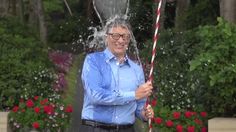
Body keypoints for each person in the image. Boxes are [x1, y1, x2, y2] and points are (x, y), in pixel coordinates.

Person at [81, 17, 154, 132]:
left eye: (125, 37)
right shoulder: (93, 61)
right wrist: (134, 94)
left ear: (129, 40)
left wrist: (144, 113)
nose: (120, 41)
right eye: (115, 36)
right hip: (96, 128)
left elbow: (139, 104)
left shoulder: (136, 69)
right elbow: (95, 95)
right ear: (107, 37)